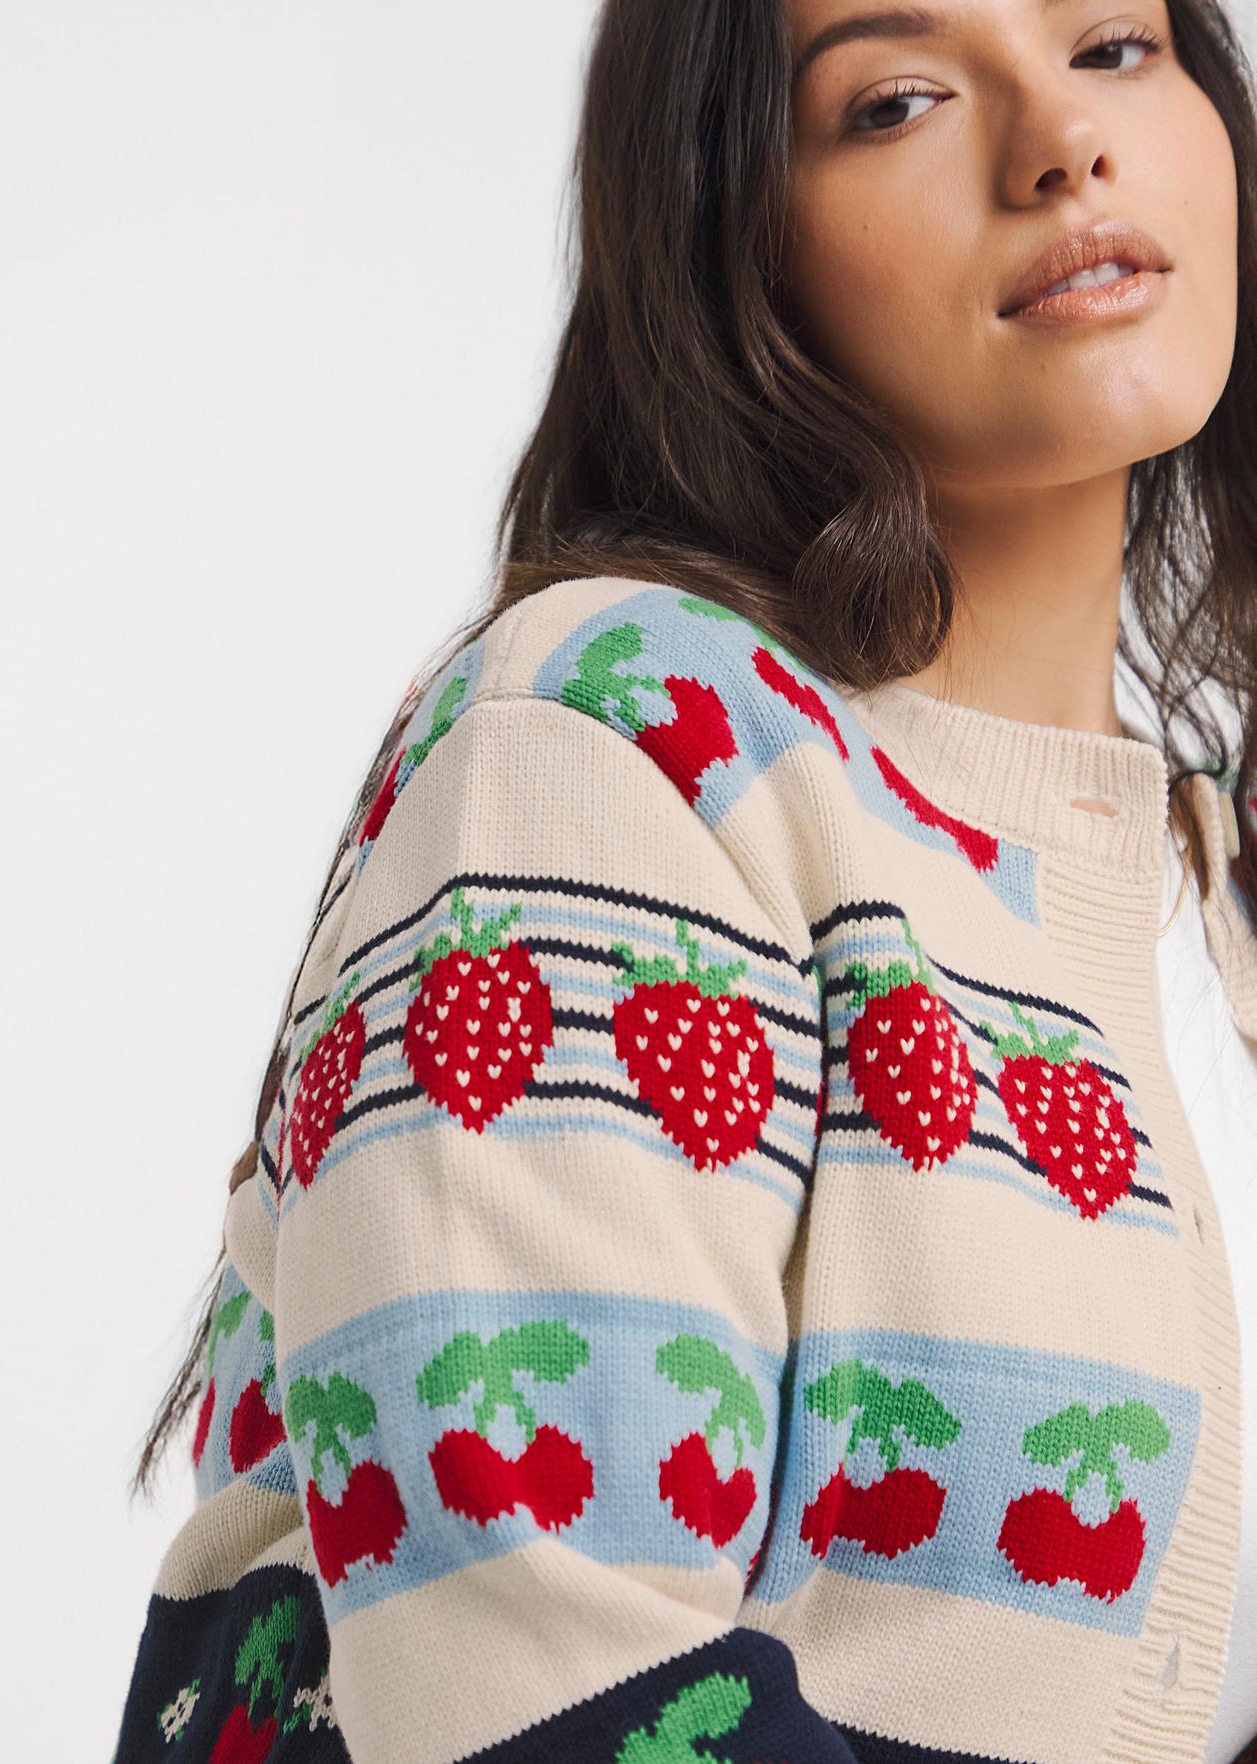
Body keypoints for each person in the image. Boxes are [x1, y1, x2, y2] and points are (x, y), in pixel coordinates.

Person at [110, 0, 1257, 1759]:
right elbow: (544, 1654)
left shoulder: (1210, 888)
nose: (1062, 145)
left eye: (1115, 46)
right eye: (895, 100)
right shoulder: (621, 742)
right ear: (730, 234)